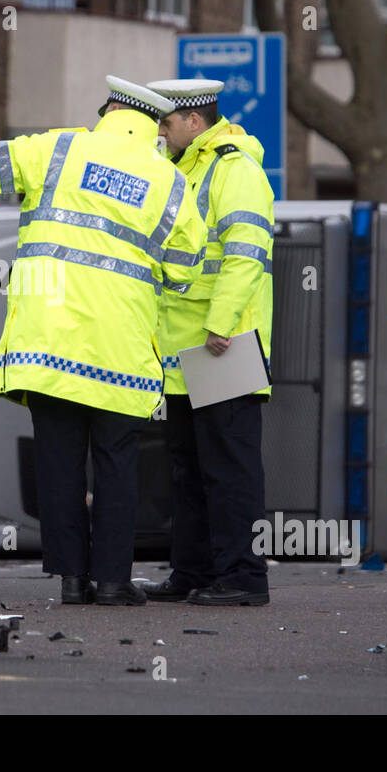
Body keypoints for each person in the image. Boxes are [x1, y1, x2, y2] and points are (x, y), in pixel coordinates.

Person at [0, 76, 205, 606]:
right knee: (118, 465)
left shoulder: (58, 148)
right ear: (152, 124)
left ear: (110, 109)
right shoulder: (168, 182)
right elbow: (187, 267)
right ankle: (114, 581)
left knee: (59, 463)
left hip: (46, 347)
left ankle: (72, 580)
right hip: (120, 354)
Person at [143, 78, 274, 606]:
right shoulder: (184, 170)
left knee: (228, 470)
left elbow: (247, 253)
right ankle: (193, 571)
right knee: (188, 469)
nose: (161, 131)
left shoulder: (234, 168)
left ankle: (243, 578)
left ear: (194, 121)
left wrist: (220, 323)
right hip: (184, 350)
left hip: (224, 345)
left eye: (167, 122)